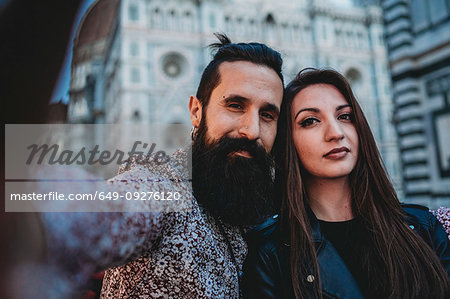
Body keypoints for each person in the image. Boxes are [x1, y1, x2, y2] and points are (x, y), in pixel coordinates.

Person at [6, 33, 284, 299]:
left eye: (268, 114)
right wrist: (33, 225)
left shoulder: (251, 215)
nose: (252, 130)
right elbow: (104, 210)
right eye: (235, 105)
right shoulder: (165, 189)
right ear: (196, 112)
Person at [243, 68, 450, 299]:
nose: (336, 133)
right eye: (310, 121)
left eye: (345, 116)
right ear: (287, 142)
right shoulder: (270, 254)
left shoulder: (423, 229)